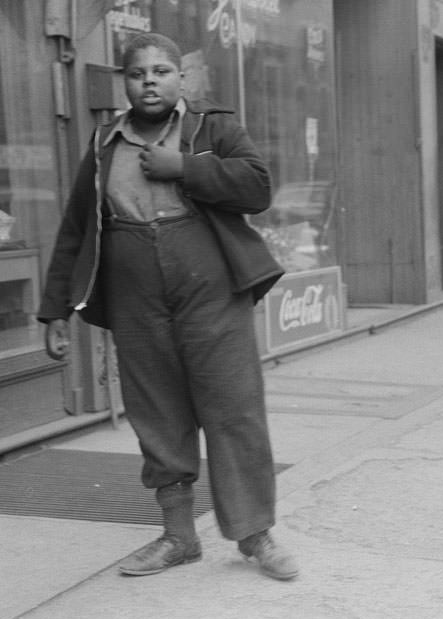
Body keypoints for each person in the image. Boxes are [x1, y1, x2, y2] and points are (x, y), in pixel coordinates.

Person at [38, 33, 298, 580]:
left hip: (211, 291)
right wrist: (56, 307)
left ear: (182, 79)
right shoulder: (104, 142)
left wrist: (184, 167)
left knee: (233, 408)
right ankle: (179, 538)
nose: (149, 81)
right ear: (124, 82)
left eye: (161, 71)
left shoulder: (214, 128)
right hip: (136, 298)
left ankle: (255, 535)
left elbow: (257, 187)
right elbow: (77, 228)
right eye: (138, 73)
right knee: (157, 415)